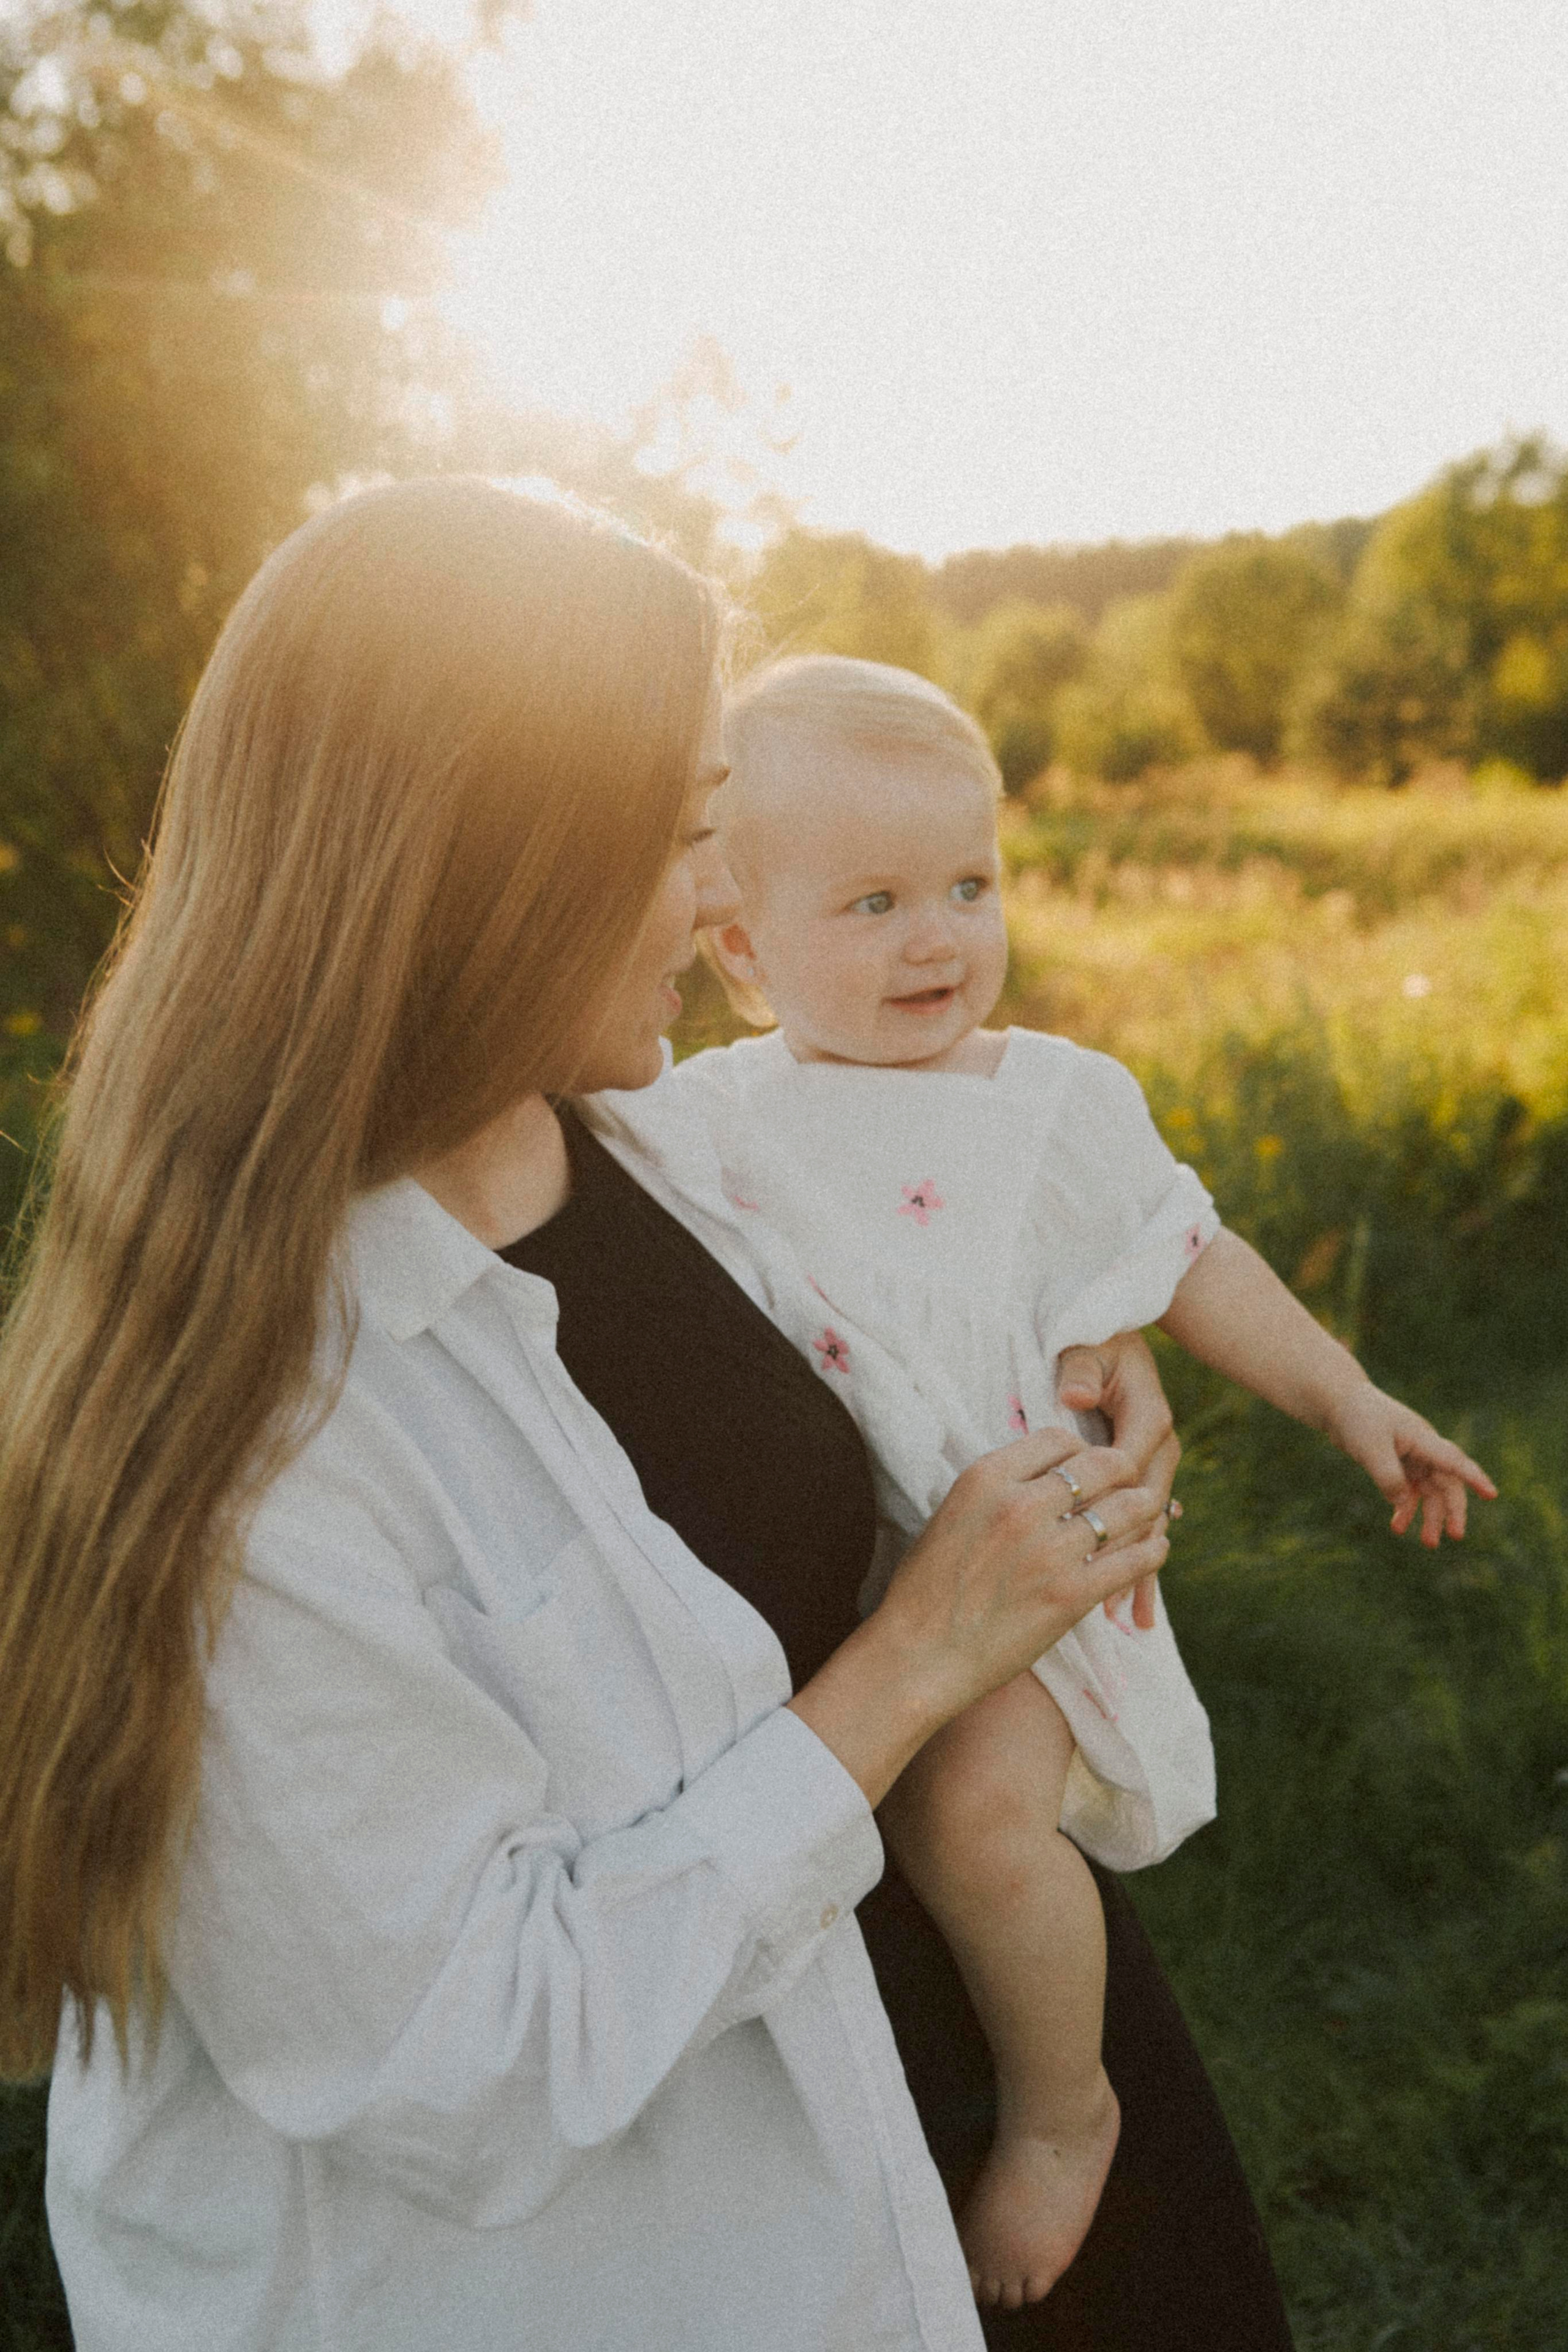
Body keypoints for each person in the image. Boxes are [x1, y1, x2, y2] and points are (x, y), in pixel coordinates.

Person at [0, 478, 1191, 2352]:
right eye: (682, 841)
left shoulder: (650, 1148)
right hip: (674, 2257)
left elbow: (916, 1282)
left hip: (933, 2091)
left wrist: (1074, 1358)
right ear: (495, 876)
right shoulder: (264, 1435)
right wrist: (910, 1662)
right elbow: (463, 2064)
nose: (721, 902)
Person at [590, 652, 1496, 2311]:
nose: (939, 937)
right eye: (871, 903)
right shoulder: (707, 1112)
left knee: (973, 1813)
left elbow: (1194, 1258)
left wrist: (1350, 1397)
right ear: (737, 950)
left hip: (1014, 1555)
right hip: (842, 1589)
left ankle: (1065, 2107)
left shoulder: (1052, 1102)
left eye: (969, 885)